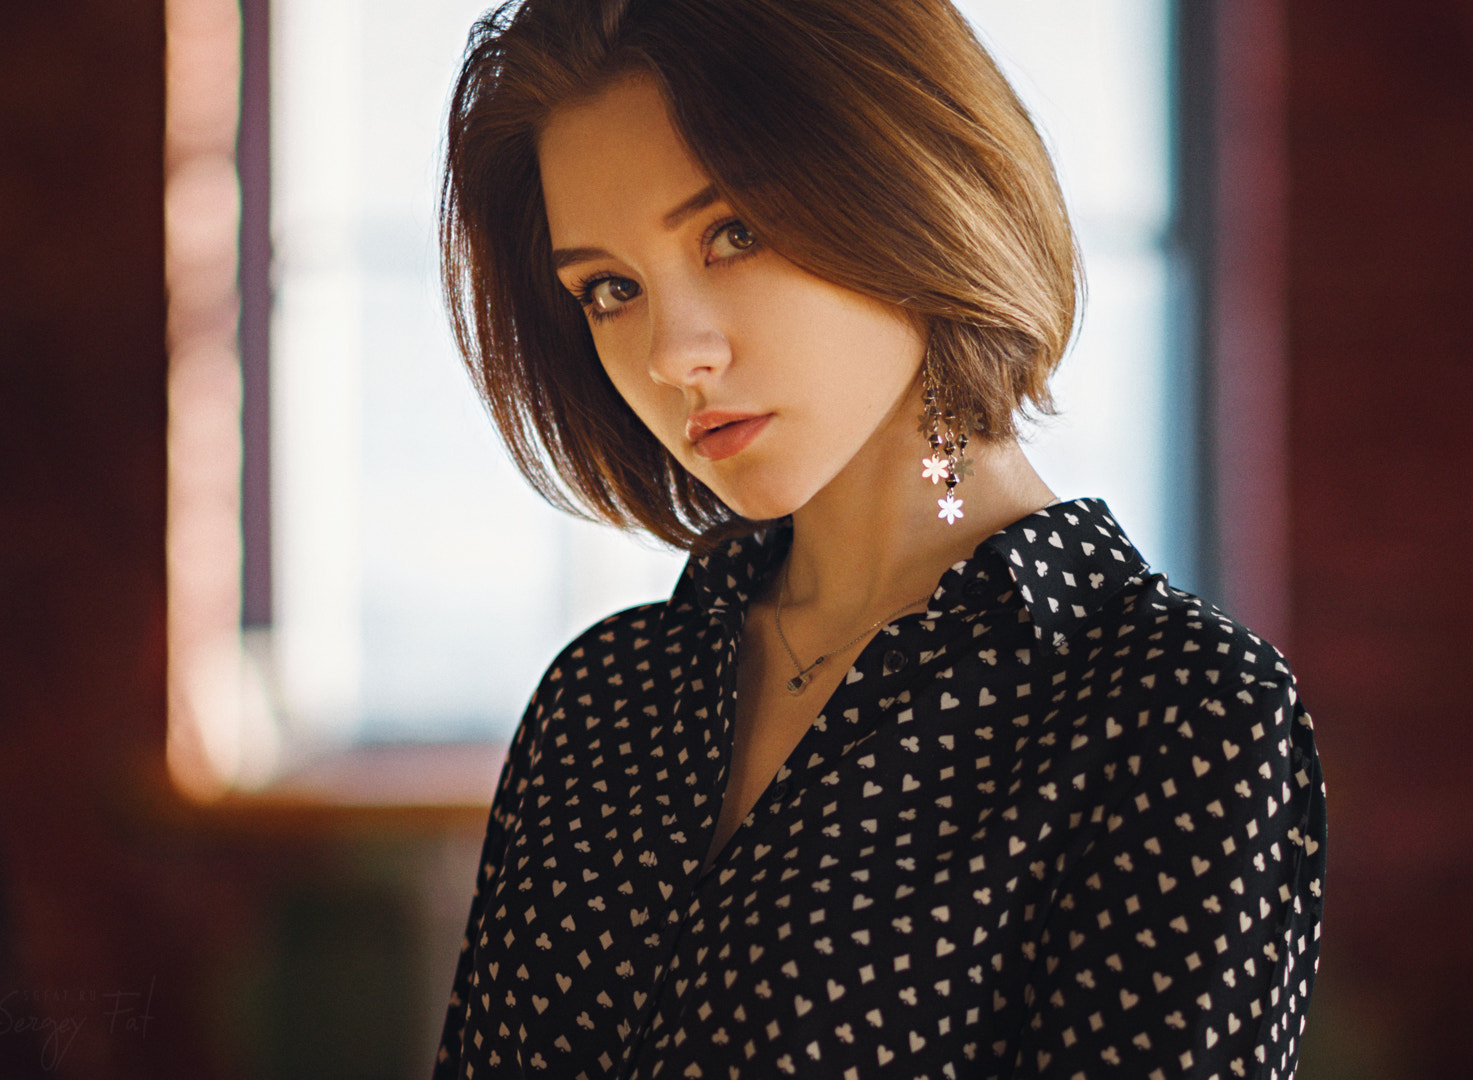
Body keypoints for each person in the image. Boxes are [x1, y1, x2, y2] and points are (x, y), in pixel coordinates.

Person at [431, 0, 1325, 1076]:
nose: (673, 354)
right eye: (610, 289)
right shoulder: (602, 703)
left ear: (909, 192)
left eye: (732, 234)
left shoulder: (1174, 714)